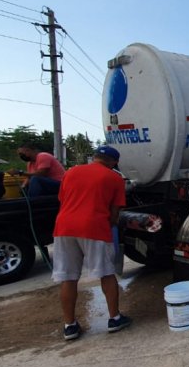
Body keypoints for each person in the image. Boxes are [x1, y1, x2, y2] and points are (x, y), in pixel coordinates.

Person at [52, 145, 130, 340]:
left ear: (94, 157)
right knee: (106, 273)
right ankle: (114, 318)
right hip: (94, 227)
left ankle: (69, 326)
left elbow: (63, 200)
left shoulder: (71, 172)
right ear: (113, 162)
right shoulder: (114, 178)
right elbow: (114, 213)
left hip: (64, 227)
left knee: (68, 277)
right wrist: (111, 225)